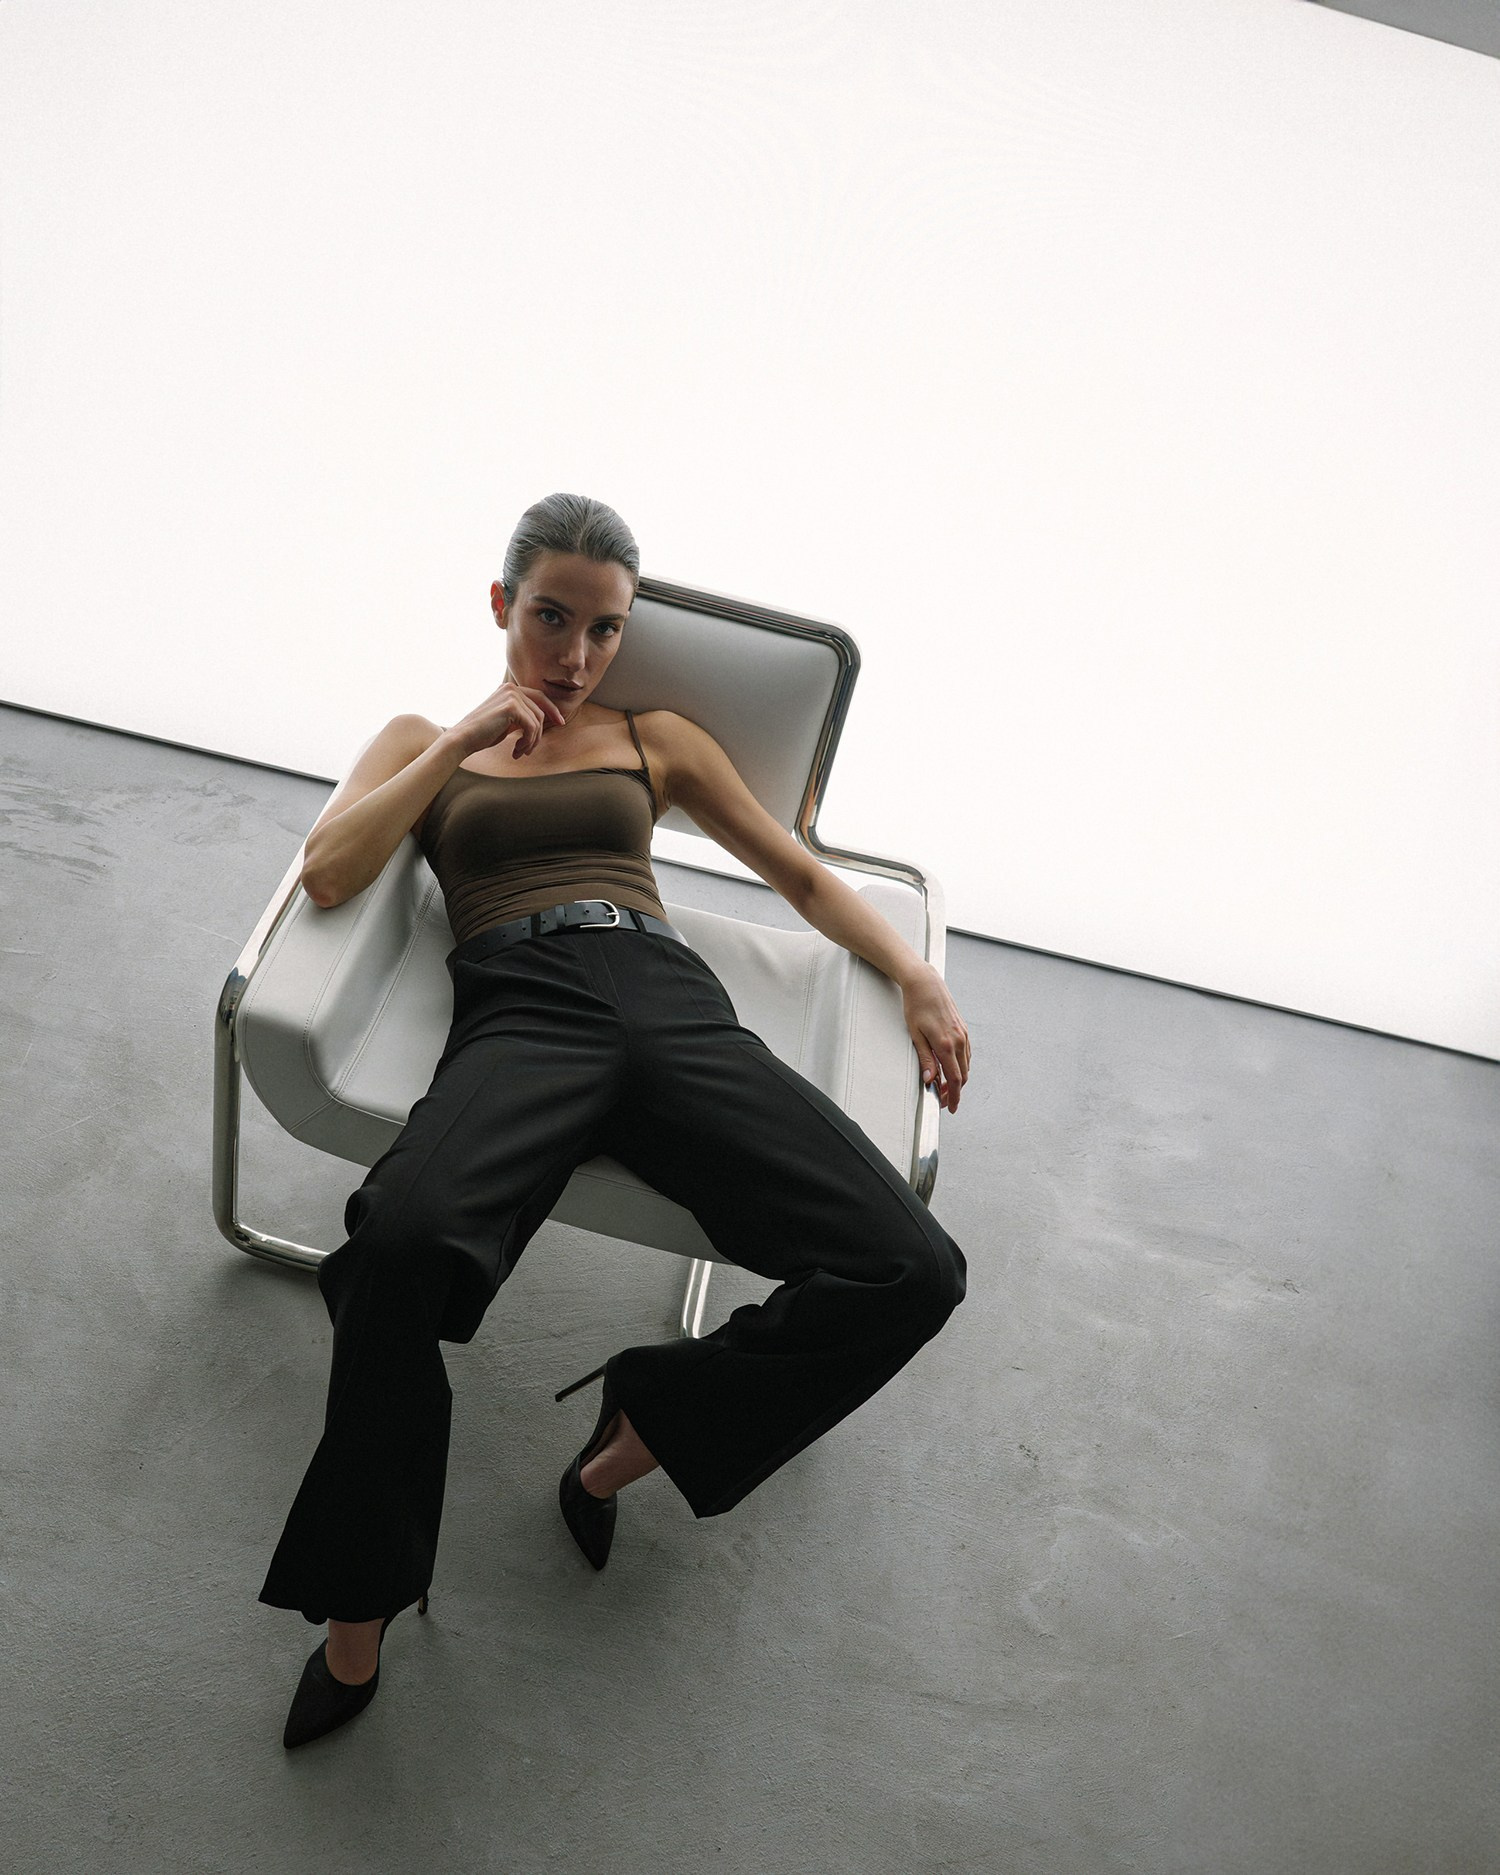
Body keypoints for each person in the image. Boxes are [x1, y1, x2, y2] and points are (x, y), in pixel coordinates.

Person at [259, 492, 971, 1747]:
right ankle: (358, 1607)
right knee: (398, 1247)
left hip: (665, 999)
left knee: (913, 1269)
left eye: (604, 630)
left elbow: (800, 875)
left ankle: (638, 1429)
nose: (577, 656)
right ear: (501, 605)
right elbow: (329, 869)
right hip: (522, 1006)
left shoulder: (653, 739)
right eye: (551, 619)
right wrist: (466, 735)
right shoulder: (426, 741)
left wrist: (914, 974)